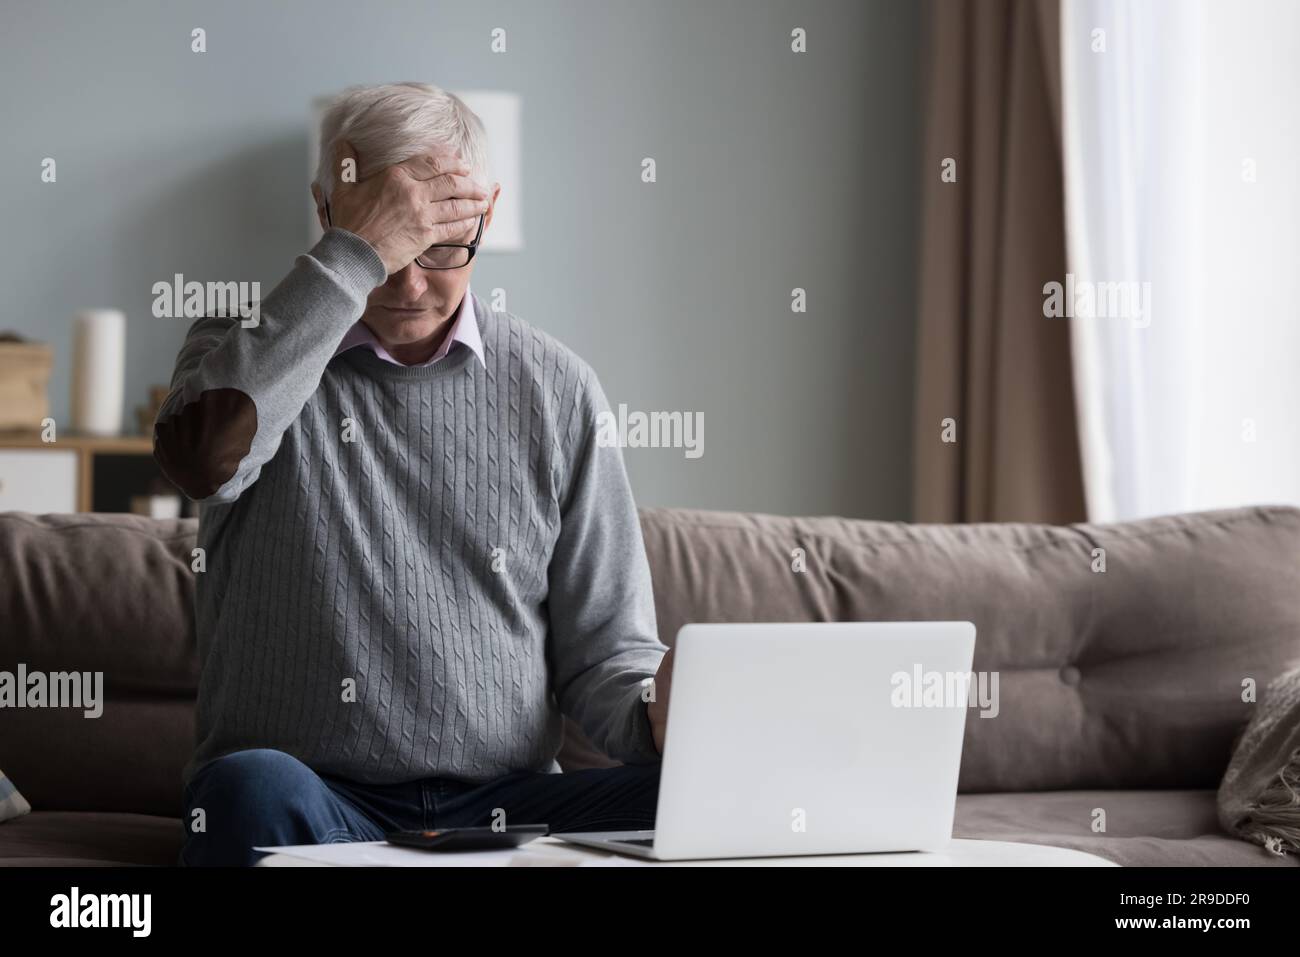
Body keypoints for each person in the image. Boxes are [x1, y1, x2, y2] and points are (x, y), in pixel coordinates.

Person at [154, 82, 674, 866]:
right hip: (315, 798)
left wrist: (659, 716)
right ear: (327, 213)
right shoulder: (237, 348)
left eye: (440, 244)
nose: (406, 282)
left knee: (710, 797)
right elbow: (203, 462)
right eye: (385, 244)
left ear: (485, 216)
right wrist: (350, 262)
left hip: (507, 804)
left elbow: (606, 654)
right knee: (242, 792)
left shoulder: (559, 388)